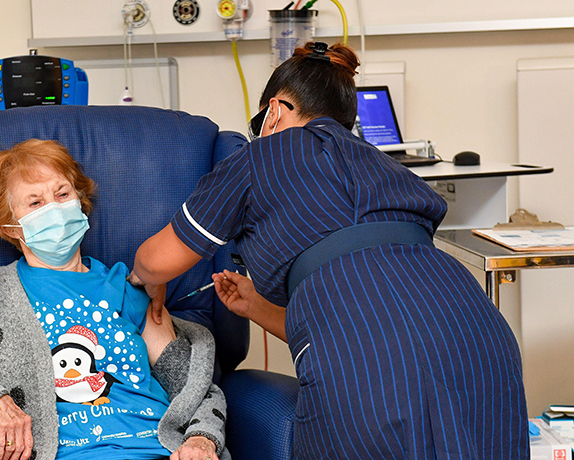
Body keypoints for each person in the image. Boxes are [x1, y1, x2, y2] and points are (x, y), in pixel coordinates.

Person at [130, 42, 528, 459]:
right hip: (479, 337)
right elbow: (379, 307)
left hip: (367, 361)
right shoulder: (388, 166)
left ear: (274, 112)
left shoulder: (261, 156)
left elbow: (156, 261)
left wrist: (143, 281)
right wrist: (255, 307)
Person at [0, 139, 230, 460]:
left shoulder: (127, 287)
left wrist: (202, 439)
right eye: (35, 202)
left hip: (158, 449)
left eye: (62, 193)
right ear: (12, 227)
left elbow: (193, 387)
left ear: (80, 201)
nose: (54, 208)